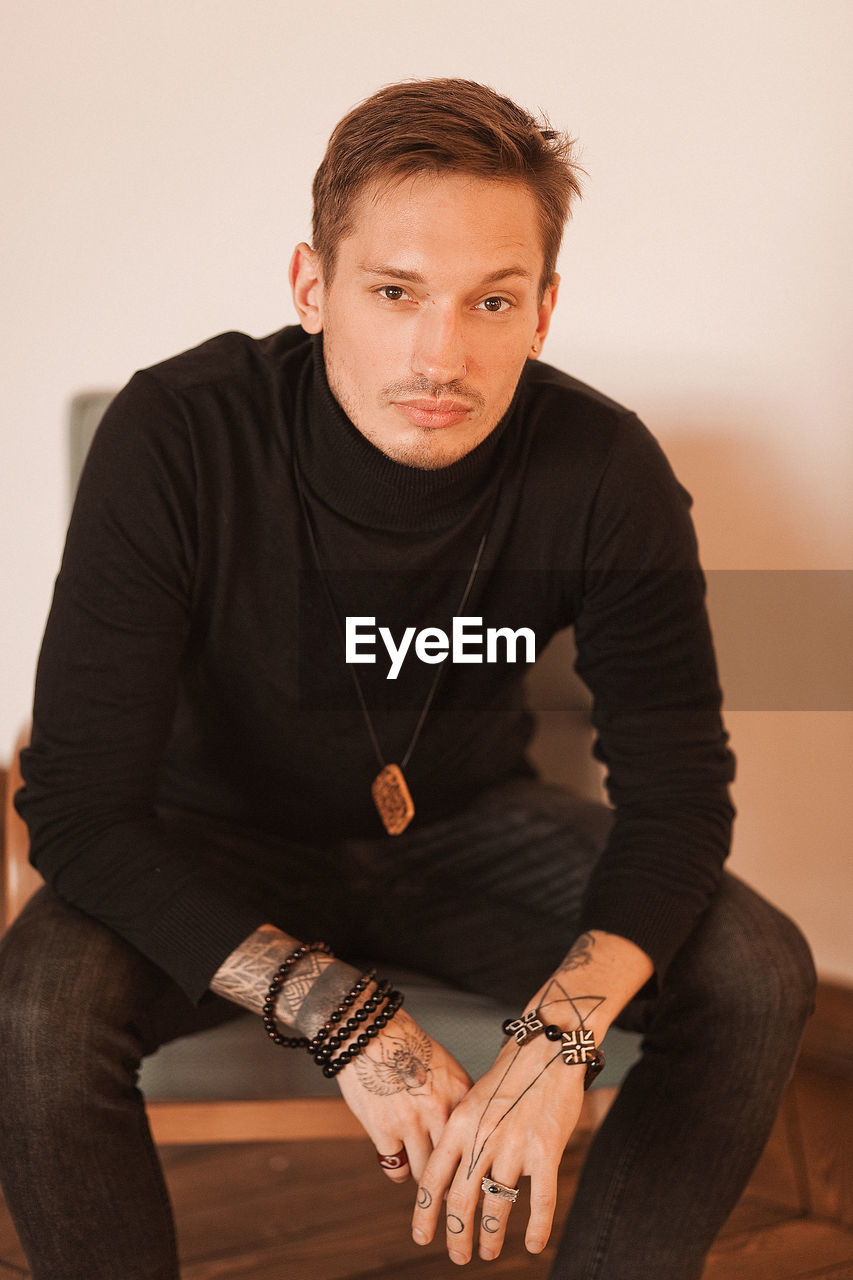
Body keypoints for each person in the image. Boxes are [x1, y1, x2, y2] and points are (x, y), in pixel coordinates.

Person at [0, 79, 815, 1279]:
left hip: (464, 828)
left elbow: (680, 790)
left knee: (755, 970)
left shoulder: (602, 468)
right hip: (202, 838)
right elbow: (73, 804)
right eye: (395, 292)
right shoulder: (179, 431)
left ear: (543, 310)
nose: (443, 354)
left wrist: (554, 1041)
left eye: (492, 299)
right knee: (35, 1014)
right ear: (310, 286)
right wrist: (346, 1015)